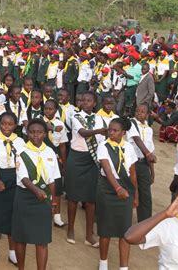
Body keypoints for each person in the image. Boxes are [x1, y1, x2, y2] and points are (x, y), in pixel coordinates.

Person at [11, 119, 61, 270]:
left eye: (39, 132)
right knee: (21, 238)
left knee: (42, 240)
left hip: (44, 199)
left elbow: (52, 180)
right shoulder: (21, 153)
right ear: (27, 132)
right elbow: (24, 178)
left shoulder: (50, 152)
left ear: (45, 134)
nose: (35, 135)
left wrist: (53, 202)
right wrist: (37, 191)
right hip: (25, 197)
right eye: (32, 132)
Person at [65, 91, 108, 247]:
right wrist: (99, 131)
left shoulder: (99, 119)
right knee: (73, 197)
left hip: (92, 160)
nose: (85, 102)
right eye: (83, 100)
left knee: (91, 199)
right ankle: (70, 229)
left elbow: (102, 140)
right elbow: (83, 133)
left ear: (95, 103)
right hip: (76, 159)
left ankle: (89, 235)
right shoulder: (75, 117)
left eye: (89, 100)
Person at [96, 117, 138, 270]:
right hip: (108, 190)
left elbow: (133, 174)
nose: (111, 133)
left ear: (124, 132)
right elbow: (107, 171)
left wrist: (136, 195)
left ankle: (123, 267)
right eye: (109, 130)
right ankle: (103, 263)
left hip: (126, 191)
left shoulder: (129, 147)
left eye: (115, 130)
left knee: (124, 230)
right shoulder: (103, 146)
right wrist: (118, 189)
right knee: (105, 229)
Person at [0, 111, 25, 265]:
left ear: (15, 125)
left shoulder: (20, 141)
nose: (6, 127)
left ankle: (12, 251)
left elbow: (22, 162)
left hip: (14, 179)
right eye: (3, 123)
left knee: (12, 216)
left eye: (10, 124)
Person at [127, 104, 157, 222]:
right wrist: (149, 154)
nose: (139, 113)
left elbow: (150, 150)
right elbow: (136, 139)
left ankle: (144, 223)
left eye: (143, 112)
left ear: (148, 115)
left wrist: (152, 172)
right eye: (137, 111)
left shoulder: (149, 130)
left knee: (145, 195)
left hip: (143, 163)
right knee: (130, 191)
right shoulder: (131, 123)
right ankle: (125, 222)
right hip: (131, 163)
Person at [42, 99, 68, 227]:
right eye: (46, 108)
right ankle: (44, 214)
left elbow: (62, 145)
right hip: (41, 157)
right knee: (43, 185)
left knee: (57, 187)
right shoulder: (38, 122)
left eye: (50, 109)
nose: (47, 111)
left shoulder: (60, 124)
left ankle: (57, 216)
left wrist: (64, 163)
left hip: (55, 157)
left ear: (56, 110)